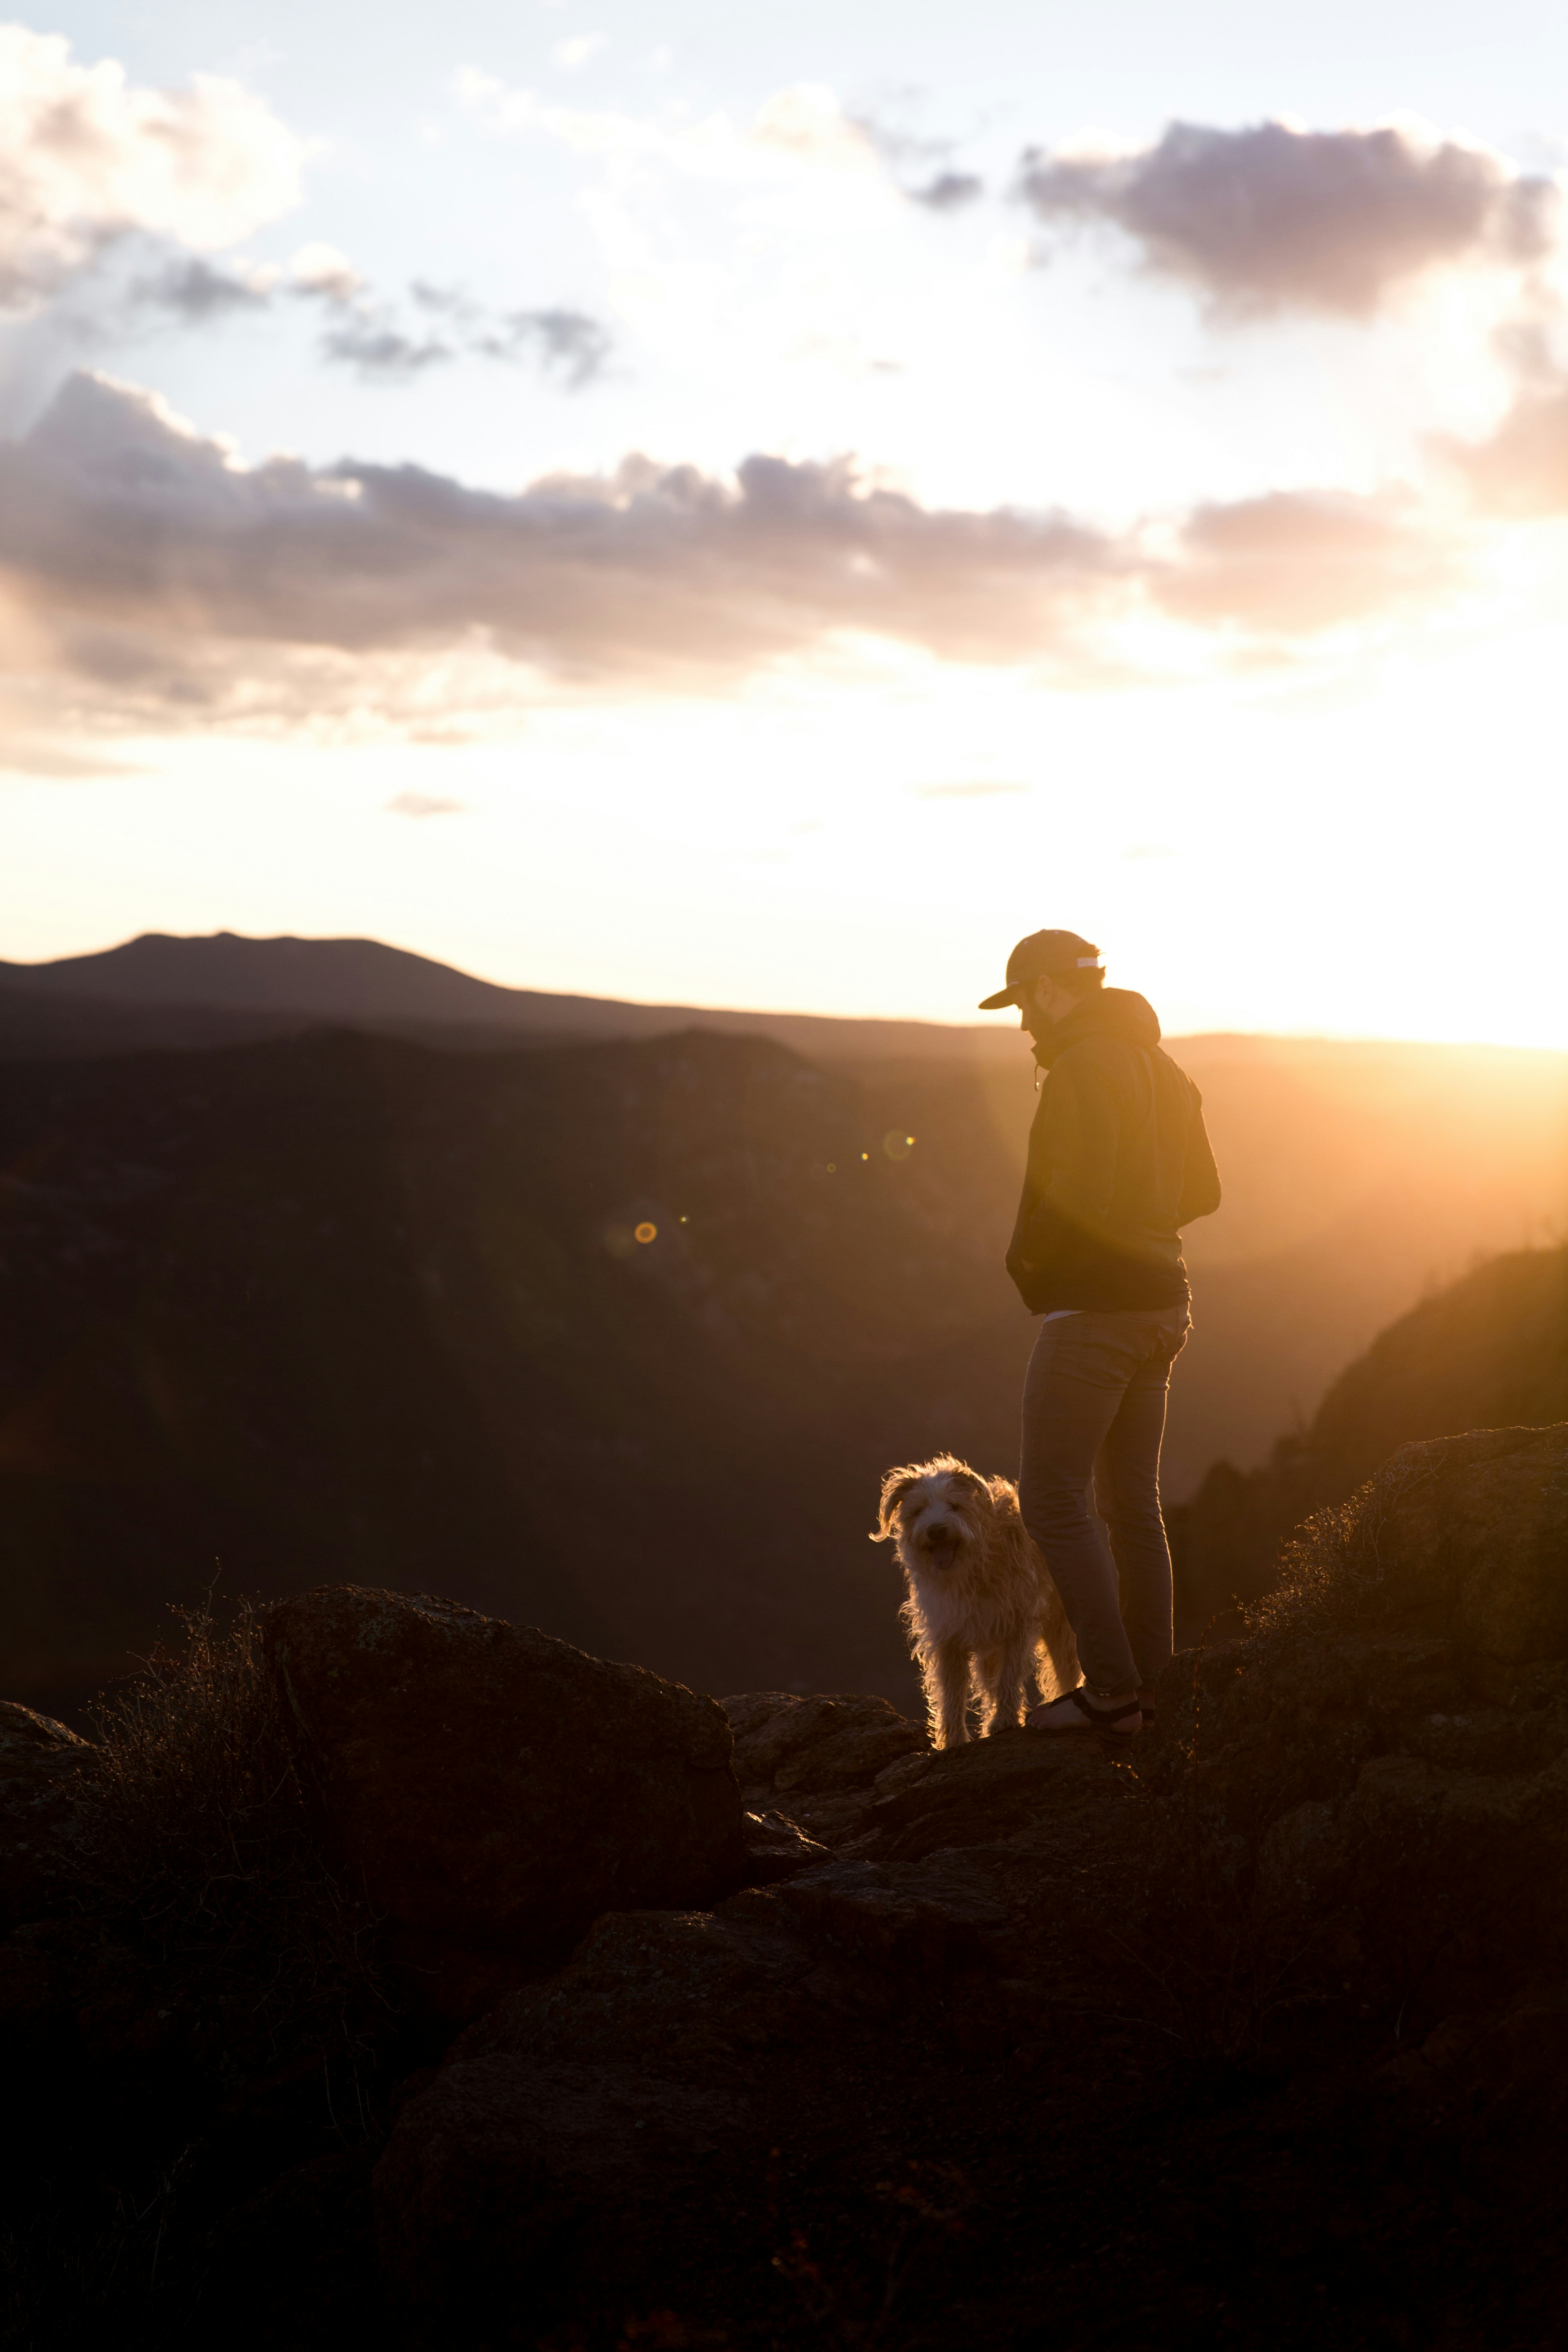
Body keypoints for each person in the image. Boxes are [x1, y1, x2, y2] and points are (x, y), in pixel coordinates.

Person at [977, 930, 1221, 1736]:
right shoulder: (1162, 1064)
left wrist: (1036, 1263)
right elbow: (1205, 1191)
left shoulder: (1083, 1066)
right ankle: (1158, 1694)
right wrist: (1145, 1228)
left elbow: (1078, 1190)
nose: (1021, 1026)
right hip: (1165, 1303)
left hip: (1098, 1312)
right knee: (1132, 1508)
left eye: (1021, 1004)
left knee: (1050, 1501)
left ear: (1050, 987)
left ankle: (1112, 1694)